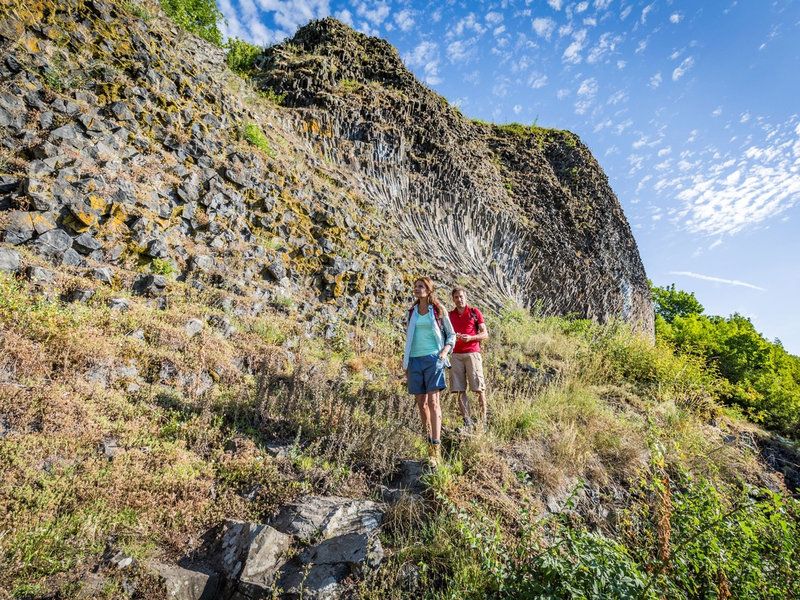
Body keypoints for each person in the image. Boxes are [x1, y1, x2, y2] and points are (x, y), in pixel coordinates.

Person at [402, 277, 456, 467]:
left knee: (433, 402)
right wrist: (406, 362)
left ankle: (436, 447)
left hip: (434, 359)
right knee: (421, 403)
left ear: (428, 289)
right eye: (415, 287)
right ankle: (427, 443)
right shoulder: (412, 311)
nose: (416, 289)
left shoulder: (439, 310)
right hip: (415, 360)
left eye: (420, 286)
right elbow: (409, 338)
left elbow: (451, 335)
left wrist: (443, 353)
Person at [449, 287, 488, 432]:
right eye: (456, 297)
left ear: (466, 297)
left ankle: (483, 422)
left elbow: (484, 334)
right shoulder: (449, 315)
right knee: (459, 389)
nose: (459, 299)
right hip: (456, 355)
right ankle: (467, 422)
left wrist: (471, 338)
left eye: (461, 296)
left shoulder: (474, 313)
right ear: (453, 299)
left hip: (472, 353)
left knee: (479, 388)